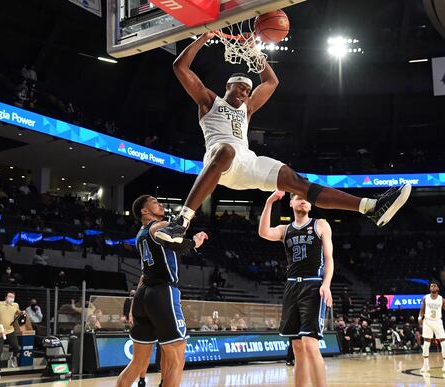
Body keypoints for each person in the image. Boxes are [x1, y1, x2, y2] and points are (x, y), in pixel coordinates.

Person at [155, 32, 412, 244]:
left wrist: (254, 52)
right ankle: (181, 222)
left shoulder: (248, 108)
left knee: (295, 180)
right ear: (228, 86)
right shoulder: (209, 101)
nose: (245, 92)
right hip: (220, 161)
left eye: (247, 89)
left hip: (247, 162)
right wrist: (204, 36)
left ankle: (370, 207)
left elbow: (271, 81)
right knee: (226, 150)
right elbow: (180, 66)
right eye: (240, 87)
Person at [115, 195, 208, 387]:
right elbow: (178, 238)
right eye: (155, 202)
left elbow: (144, 271)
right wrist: (195, 243)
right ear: (144, 210)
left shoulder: (141, 235)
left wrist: (133, 308)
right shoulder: (157, 226)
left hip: (143, 294)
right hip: (162, 293)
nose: (159, 204)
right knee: (177, 359)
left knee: (137, 363)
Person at [259, 190, 334, 387]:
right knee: (297, 348)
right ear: (291, 203)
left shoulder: (320, 224)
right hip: (292, 286)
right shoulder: (285, 230)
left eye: (307, 200)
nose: (304, 202)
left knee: (310, 344)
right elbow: (264, 232)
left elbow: (329, 259)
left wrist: (326, 284)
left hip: (313, 285)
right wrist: (269, 202)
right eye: (299, 198)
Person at [0, 291, 25, 368]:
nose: (11, 298)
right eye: (9, 296)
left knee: (16, 347)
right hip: (0, 331)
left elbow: (18, 312)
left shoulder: (15, 305)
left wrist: (22, 312)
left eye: (13, 297)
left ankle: (13, 357)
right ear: (6, 297)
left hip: (10, 330)